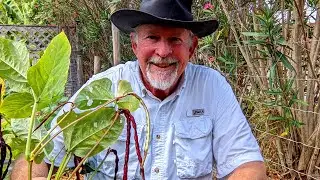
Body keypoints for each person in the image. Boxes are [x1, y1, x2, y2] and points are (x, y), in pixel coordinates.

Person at [11, 0, 267, 179]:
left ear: (191, 47)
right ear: (134, 46)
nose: (163, 52)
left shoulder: (211, 88)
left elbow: (249, 166)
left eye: (175, 39)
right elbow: (36, 156)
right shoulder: (106, 89)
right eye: (152, 38)